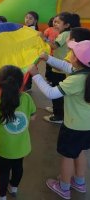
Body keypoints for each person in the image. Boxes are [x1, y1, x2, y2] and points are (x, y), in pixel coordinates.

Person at [28, 40, 90, 200]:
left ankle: (64, 187)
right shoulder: (83, 72)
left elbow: (51, 93)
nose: (69, 54)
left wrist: (36, 75)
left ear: (77, 59)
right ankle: (80, 182)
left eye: (72, 52)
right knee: (79, 151)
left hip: (73, 126)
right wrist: (47, 58)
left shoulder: (76, 80)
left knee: (67, 156)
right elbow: (65, 66)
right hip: (86, 125)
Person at [0, 65, 36, 200]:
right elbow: (33, 117)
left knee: (3, 172)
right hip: (22, 145)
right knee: (18, 167)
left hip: (4, 148)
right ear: (21, 83)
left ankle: (1, 196)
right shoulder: (26, 98)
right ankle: (13, 188)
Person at [44, 12, 80, 123]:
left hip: (59, 68)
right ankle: (57, 109)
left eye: (58, 22)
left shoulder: (64, 34)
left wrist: (43, 39)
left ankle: (58, 115)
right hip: (61, 67)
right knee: (59, 90)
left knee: (57, 90)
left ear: (66, 25)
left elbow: (54, 46)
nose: (55, 24)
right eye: (54, 21)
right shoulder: (67, 33)